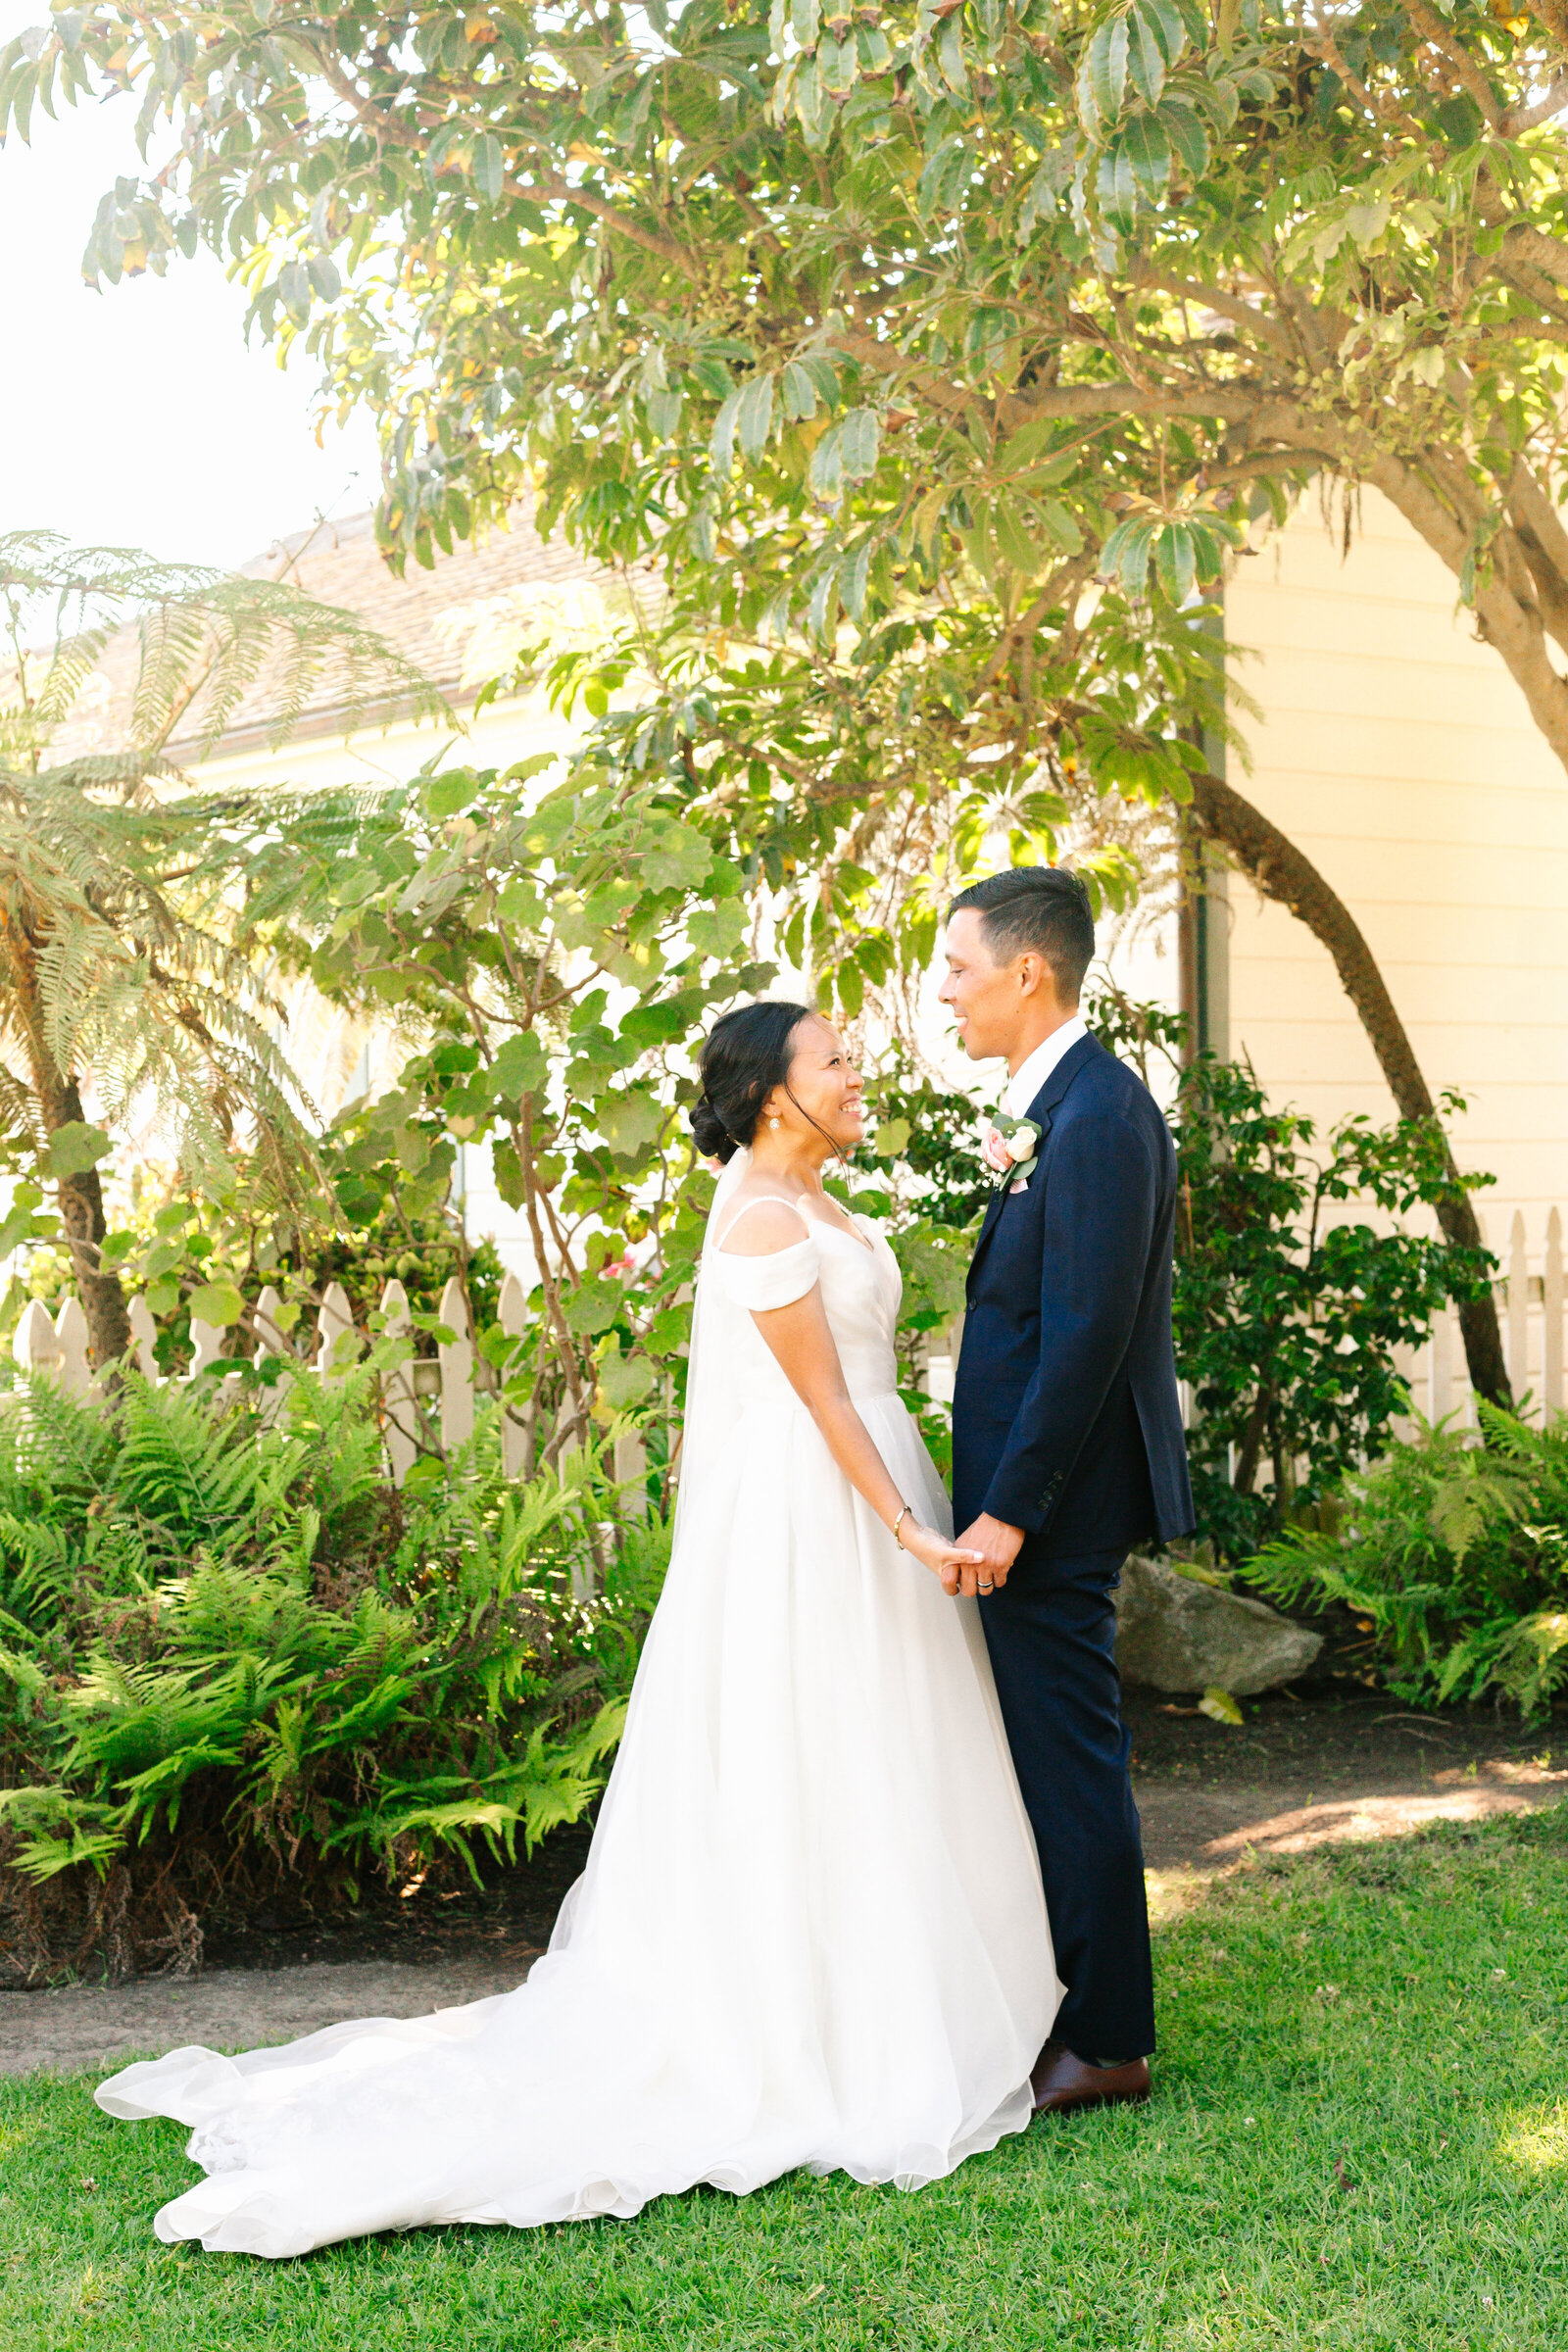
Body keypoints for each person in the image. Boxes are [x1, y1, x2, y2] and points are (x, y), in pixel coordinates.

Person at [95, 1001, 1059, 2257]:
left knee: (883, 1743)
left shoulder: (814, 1198)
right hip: (820, 1507)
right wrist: (907, 1529)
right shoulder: (762, 1215)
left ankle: (906, 1991)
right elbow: (821, 1402)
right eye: (835, 1058)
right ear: (774, 1094)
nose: (857, 1067)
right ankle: (819, 2022)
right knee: (822, 1733)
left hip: (869, 1480)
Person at [939, 866, 1195, 2116]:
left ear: (1026, 971)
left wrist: (1008, 1508)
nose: (945, 992)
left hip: (1050, 1506)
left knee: (1070, 1757)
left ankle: (1105, 2040)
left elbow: (1086, 1335)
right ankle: (1066, 2002)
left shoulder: (1097, 1119)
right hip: (1031, 1498)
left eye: (957, 967)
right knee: (1047, 1751)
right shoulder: (1063, 1107)